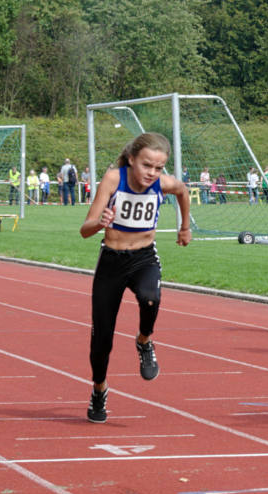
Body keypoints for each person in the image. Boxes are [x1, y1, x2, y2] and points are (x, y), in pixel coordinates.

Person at [79, 132, 191, 423]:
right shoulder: (114, 179)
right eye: (146, 166)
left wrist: (184, 227)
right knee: (102, 339)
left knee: (150, 298)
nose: (151, 173)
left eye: (158, 168)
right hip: (112, 261)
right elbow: (85, 229)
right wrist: (99, 222)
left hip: (143, 257)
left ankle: (144, 340)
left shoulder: (162, 183)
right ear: (132, 159)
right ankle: (99, 389)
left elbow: (182, 191)